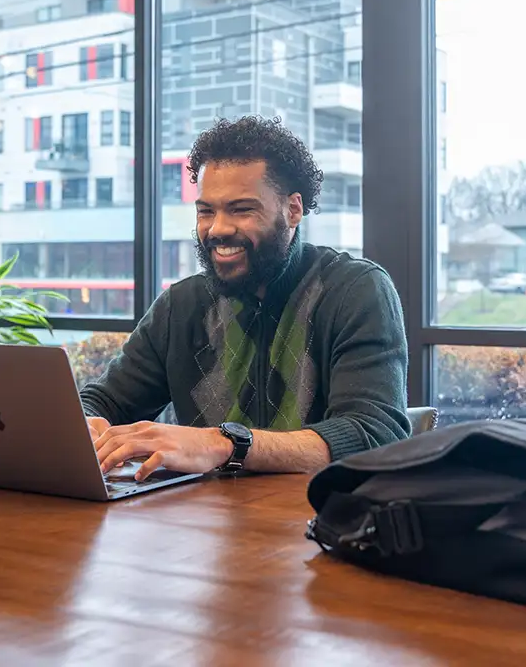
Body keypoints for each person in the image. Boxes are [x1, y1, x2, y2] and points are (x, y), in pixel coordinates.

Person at [81, 116, 410, 481]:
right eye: (206, 210)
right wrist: (85, 425)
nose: (218, 228)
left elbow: (374, 435)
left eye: (241, 209)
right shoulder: (181, 305)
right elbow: (103, 402)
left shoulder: (354, 290)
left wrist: (224, 444)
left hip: (319, 524)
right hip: (200, 528)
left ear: (293, 209)